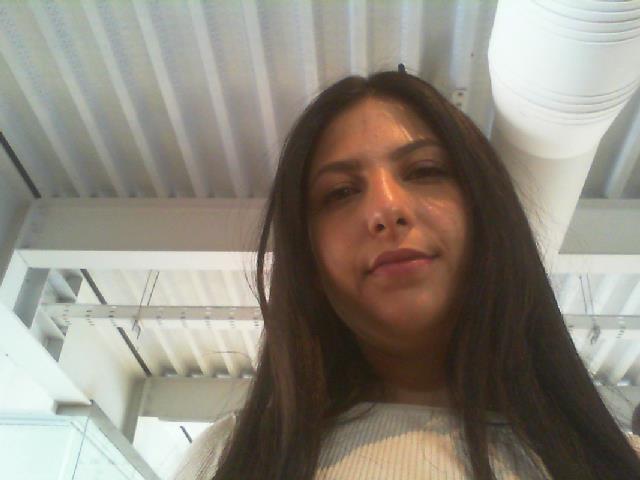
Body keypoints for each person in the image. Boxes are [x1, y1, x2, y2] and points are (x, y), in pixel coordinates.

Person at [173, 69, 640, 480]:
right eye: (340, 193)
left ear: (488, 213)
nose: (386, 208)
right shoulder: (229, 458)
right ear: (308, 260)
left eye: (424, 170)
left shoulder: (621, 460)